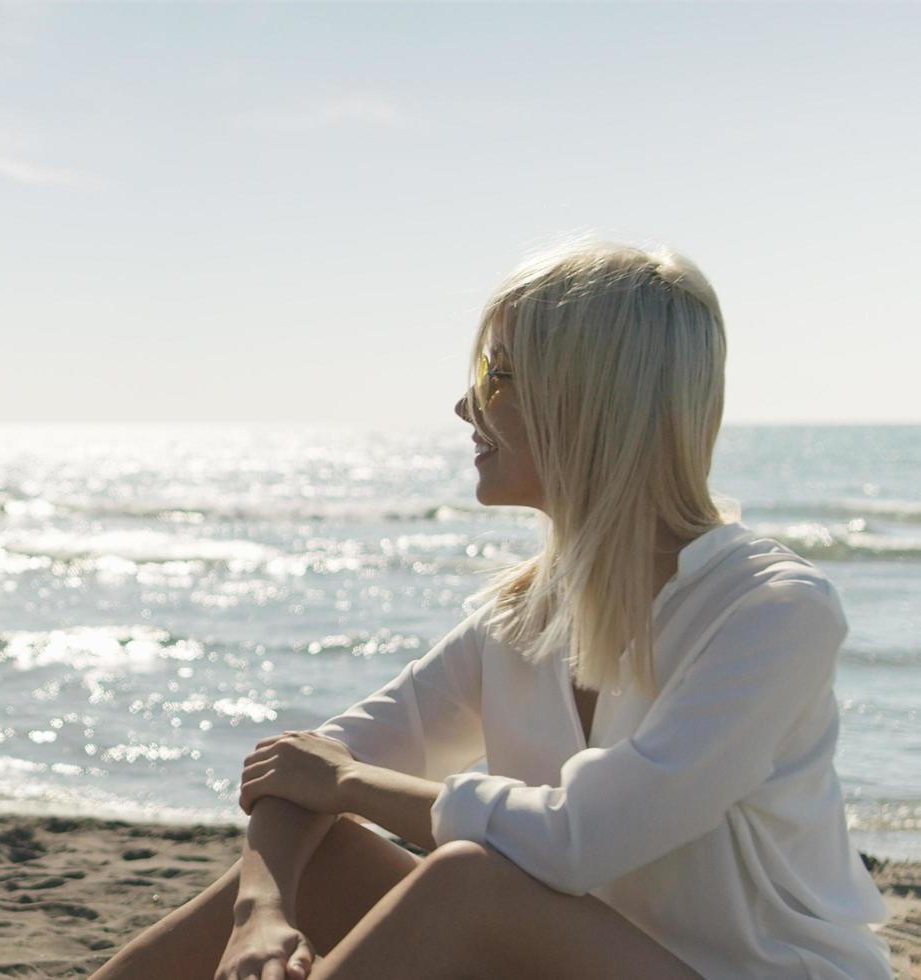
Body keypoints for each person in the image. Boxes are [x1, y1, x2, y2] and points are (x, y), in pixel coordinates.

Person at [91, 241, 891, 980]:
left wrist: (345, 782)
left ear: (588, 400)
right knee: (331, 850)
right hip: (575, 963)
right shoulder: (521, 615)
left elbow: (578, 841)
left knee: (468, 879)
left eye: (494, 375)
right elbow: (304, 768)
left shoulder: (770, 611)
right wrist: (258, 911)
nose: (463, 407)